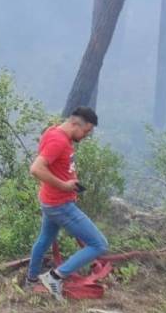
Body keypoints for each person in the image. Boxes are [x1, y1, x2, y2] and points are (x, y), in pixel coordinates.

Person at [27, 106, 109, 301]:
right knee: (99, 244)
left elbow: (53, 166)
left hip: (50, 199)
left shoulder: (53, 131)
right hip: (60, 204)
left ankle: (31, 281)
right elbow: (36, 169)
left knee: (45, 239)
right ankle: (55, 276)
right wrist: (64, 185)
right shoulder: (58, 140)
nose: (87, 135)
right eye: (86, 131)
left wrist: (67, 181)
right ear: (74, 124)